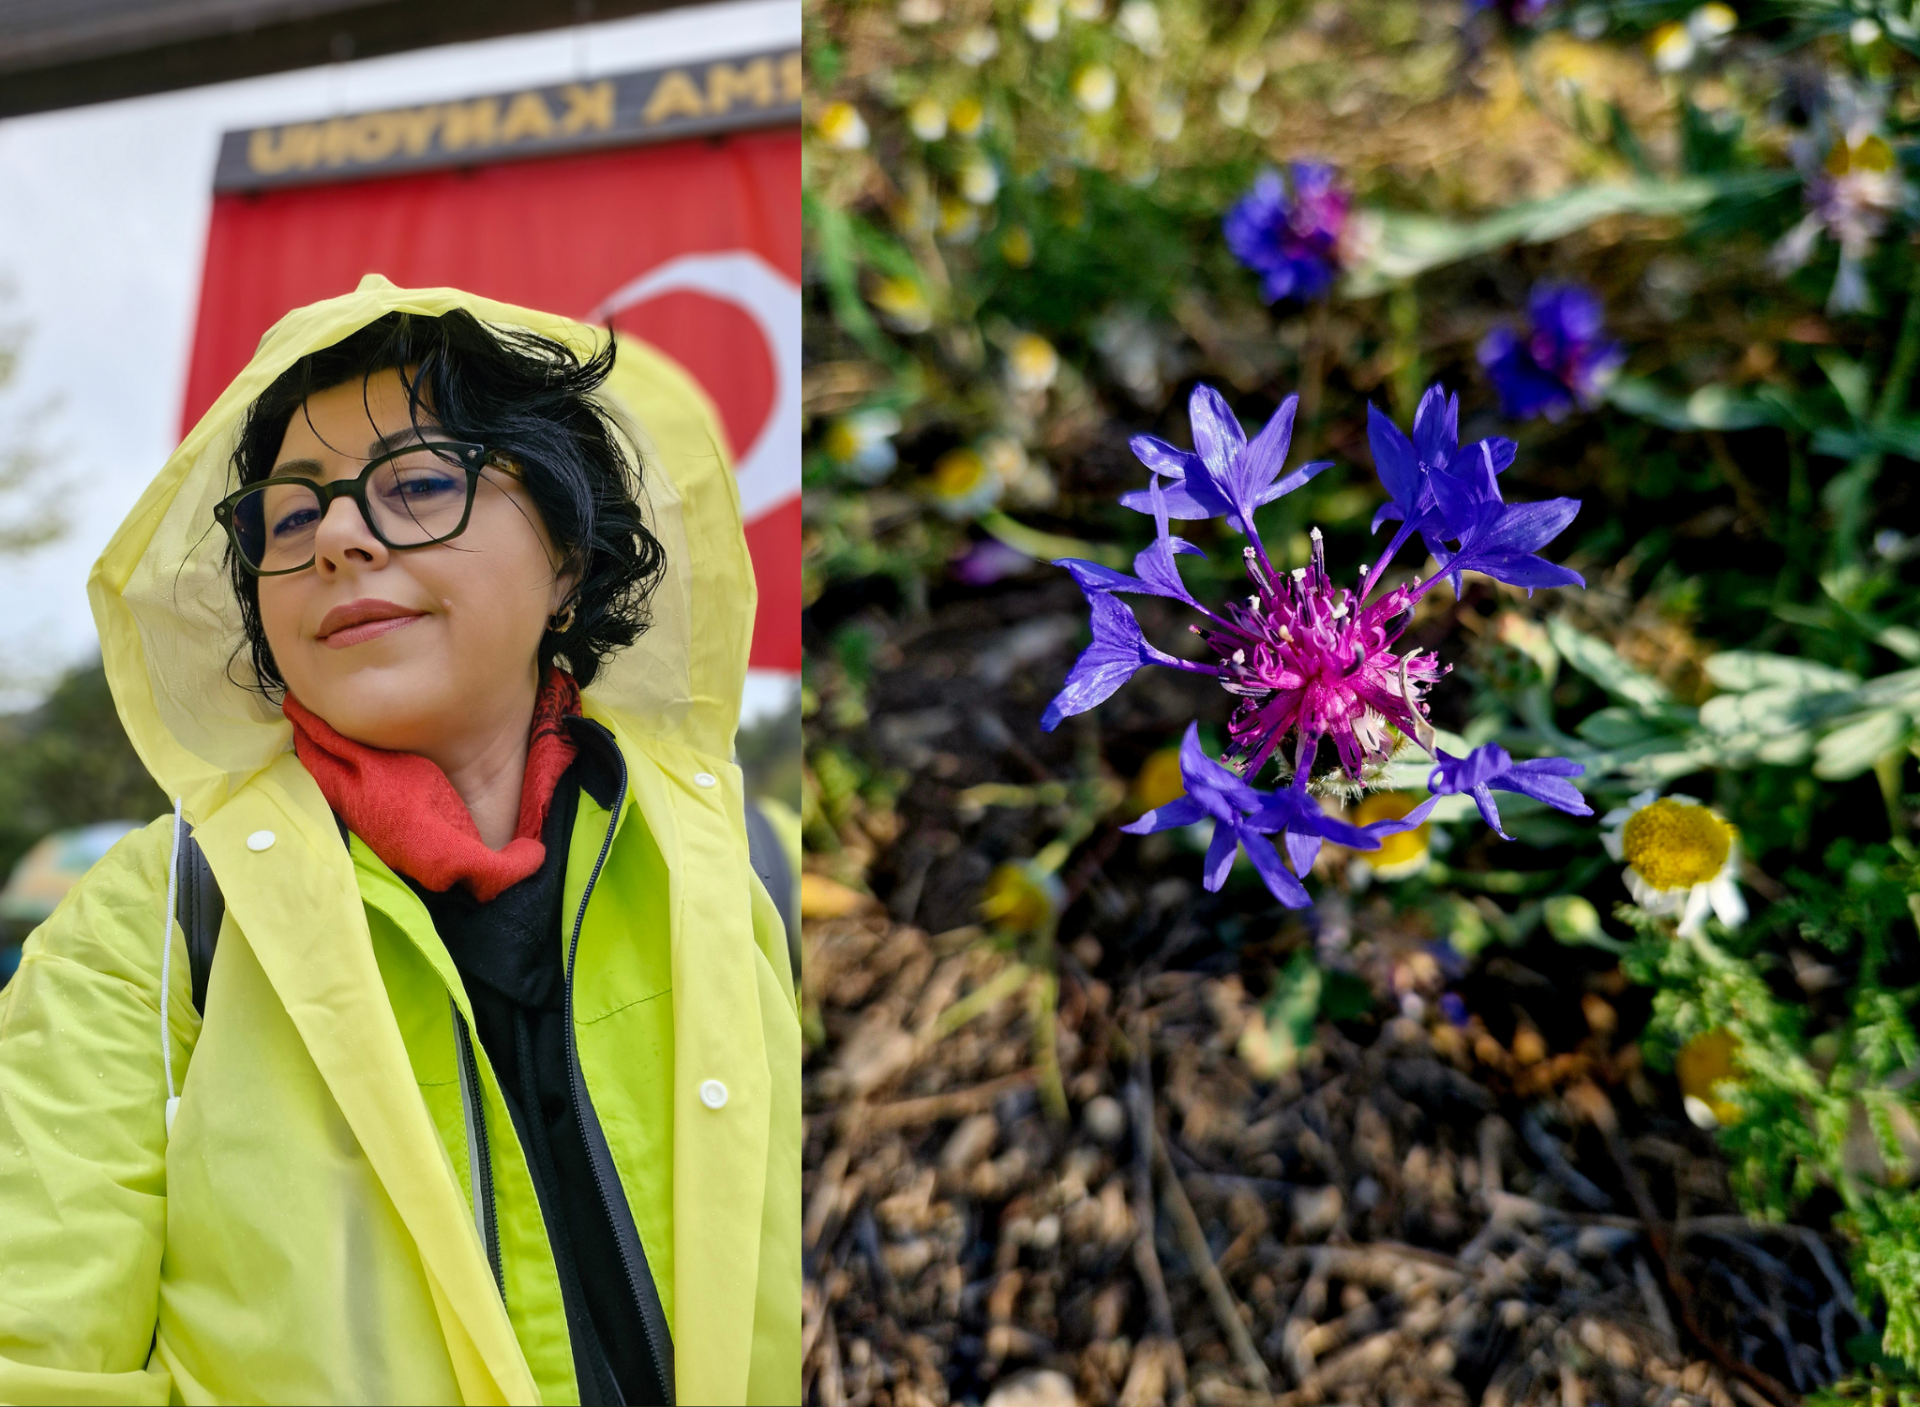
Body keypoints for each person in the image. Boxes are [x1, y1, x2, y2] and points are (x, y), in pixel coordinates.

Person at [0, 276, 798, 1405]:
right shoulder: (148, 926)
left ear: (569, 557)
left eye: (419, 483)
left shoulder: (752, 870)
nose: (335, 538)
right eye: (286, 515)